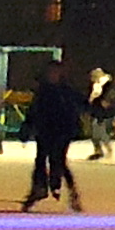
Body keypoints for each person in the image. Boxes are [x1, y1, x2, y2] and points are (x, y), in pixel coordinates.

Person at [20, 59, 84, 209]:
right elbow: (34, 109)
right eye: (50, 72)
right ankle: (39, 188)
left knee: (58, 160)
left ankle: (62, 187)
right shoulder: (43, 90)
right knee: (41, 159)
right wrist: (27, 126)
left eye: (55, 72)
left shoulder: (67, 91)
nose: (52, 75)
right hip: (45, 129)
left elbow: (81, 104)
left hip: (62, 131)